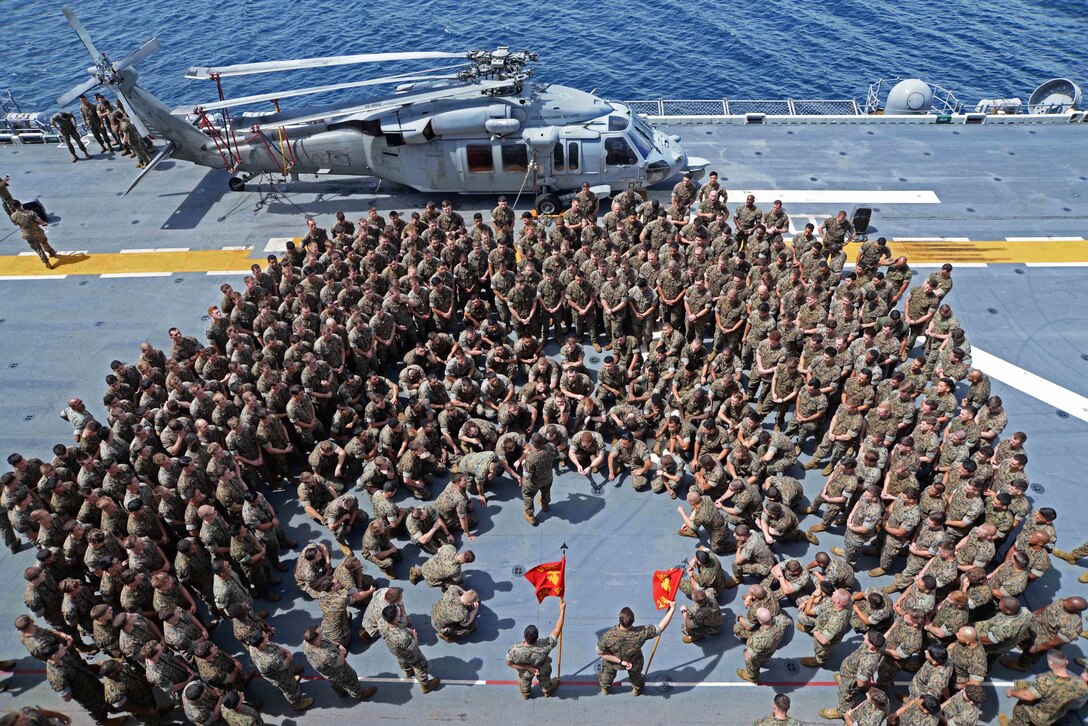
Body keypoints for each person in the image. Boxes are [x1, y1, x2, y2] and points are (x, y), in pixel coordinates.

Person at [597, 602, 675, 696]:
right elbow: (660, 628)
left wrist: (620, 662)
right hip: (634, 661)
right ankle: (636, 690)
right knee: (636, 676)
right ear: (633, 621)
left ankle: (605, 688)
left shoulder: (608, 636)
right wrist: (672, 609)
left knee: (607, 675)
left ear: (619, 619)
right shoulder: (641, 633)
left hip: (613, 663)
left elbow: (601, 652)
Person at [999, 649, 1088, 726]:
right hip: (1055, 716)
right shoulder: (1081, 684)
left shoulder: (1046, 680)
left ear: (1050, 663)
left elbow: (1027, 695)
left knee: (1020, 709)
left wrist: (1012, 693)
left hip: (1038, 715)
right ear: (1067, 662)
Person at [506, 601, 566, 699]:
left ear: (524, 636)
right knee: (545, 677)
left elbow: (509, 663)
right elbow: (557, 630)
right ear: (537, 637)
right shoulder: (545, 646)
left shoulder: (515, 650)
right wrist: (562, 611)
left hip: (525, 670)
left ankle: (526, 693)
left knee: (524, 679)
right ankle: (547, 690)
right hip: (541, 668)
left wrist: (528, 668)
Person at [301, 625, 377, 701]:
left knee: (335, 683)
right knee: (351, 679)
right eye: (320, 631)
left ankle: (341, 692)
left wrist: (338, 645)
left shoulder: (307, 642)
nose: (322, 629)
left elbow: (325, 640)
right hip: (338, 671)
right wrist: (341, 651)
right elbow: (340, 662)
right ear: (316, 639)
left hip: (326, 672)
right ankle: (358, 695)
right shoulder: (325, 655)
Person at [379, 603, 441, 692]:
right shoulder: (403, 637)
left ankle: (408, 671)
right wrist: (415, 635)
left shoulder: (381, 622)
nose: (399, 610)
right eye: (398, 612)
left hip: (395, 650)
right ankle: (425, 685)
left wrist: (406, 629)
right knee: (420, 666)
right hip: (409, 653)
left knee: (401, 659)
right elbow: (414, 647)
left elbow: (396, 627)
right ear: (395, 618)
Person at [9, 199, 58, 268]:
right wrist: (44, 223)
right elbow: (39, 220)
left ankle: (46, 261)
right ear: (20, 204)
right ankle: (51, 252)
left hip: (27, 234)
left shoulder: (13, 216)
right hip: (37, 231)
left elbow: (16, 224)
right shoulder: (30, 212)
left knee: (37, 248)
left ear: (13, 207)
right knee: (44, 242)